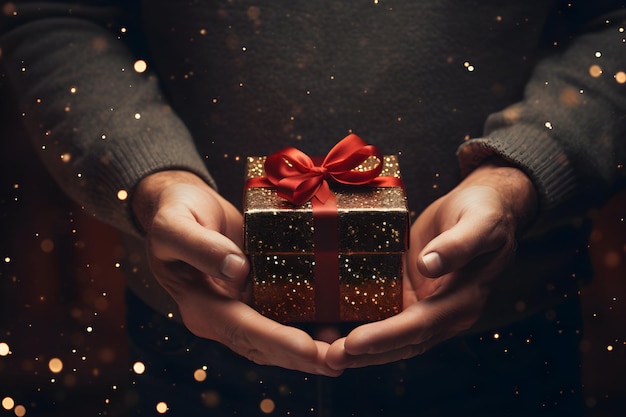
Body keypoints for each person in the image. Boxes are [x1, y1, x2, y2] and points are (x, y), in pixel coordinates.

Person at [1, 0, 625, 415]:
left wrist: (521, 174)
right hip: (194, 335)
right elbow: (53, 14)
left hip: (505, 339)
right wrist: (152, 180)